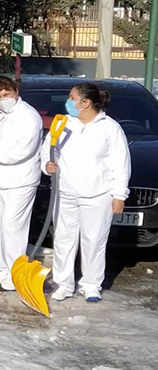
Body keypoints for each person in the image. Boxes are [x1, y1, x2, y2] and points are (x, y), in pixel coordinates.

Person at [44, 83, 130, 302]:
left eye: (72, 98)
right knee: (64, 239)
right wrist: (47, 165)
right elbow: (47, 150)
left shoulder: (109, 127)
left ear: (85, 103)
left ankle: (91, 284)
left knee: (94, 240)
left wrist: (119, 194)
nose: (68, 101)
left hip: (97, 194)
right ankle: (63, 283)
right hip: (65, 192)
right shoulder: (63, 124)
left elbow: (121, 162)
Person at [0, 76, 42, 291]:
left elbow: (24, 150)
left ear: (15, 92)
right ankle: (3, 268)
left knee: (14, 228)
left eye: (7, 94)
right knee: (0, 226)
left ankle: (15, 272)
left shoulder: (28, 116)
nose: (3, 99)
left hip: (20, 181)